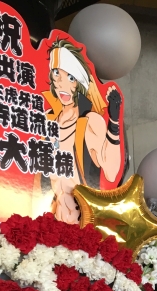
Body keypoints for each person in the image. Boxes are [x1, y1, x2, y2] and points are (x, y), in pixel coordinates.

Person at [36, 38, 123, 224]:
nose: (62, 84)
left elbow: (111, 171)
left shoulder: (90, 120)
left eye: (71, 77)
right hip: (49, 219)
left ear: (79, 81)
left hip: (83, 222)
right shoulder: (48, 119)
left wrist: (114, 122)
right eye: (56, 73)